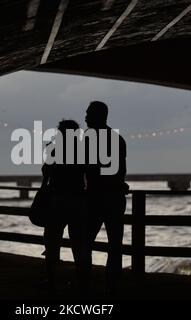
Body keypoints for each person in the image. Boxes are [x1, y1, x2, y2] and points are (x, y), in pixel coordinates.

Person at [41, 119, 90, 294]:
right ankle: (82, 282)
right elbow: (89, 175)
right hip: (78, 200)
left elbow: (46, 173)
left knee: (52, 241)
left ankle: (52, 280)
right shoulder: (84, 150)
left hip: (57, 200)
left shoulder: (54, 149)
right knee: (79, 243)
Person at [84, 101, 128, 295]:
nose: (85, 117)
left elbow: (86, 170)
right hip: (115, 197)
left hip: (94, 197)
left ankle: (85, 280)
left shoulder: (88, 139)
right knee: (115, 243)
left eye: (88, 113)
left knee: (85, 240)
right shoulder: (117, 139)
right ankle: (112, 283)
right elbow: (120, 171)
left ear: (96, 116)